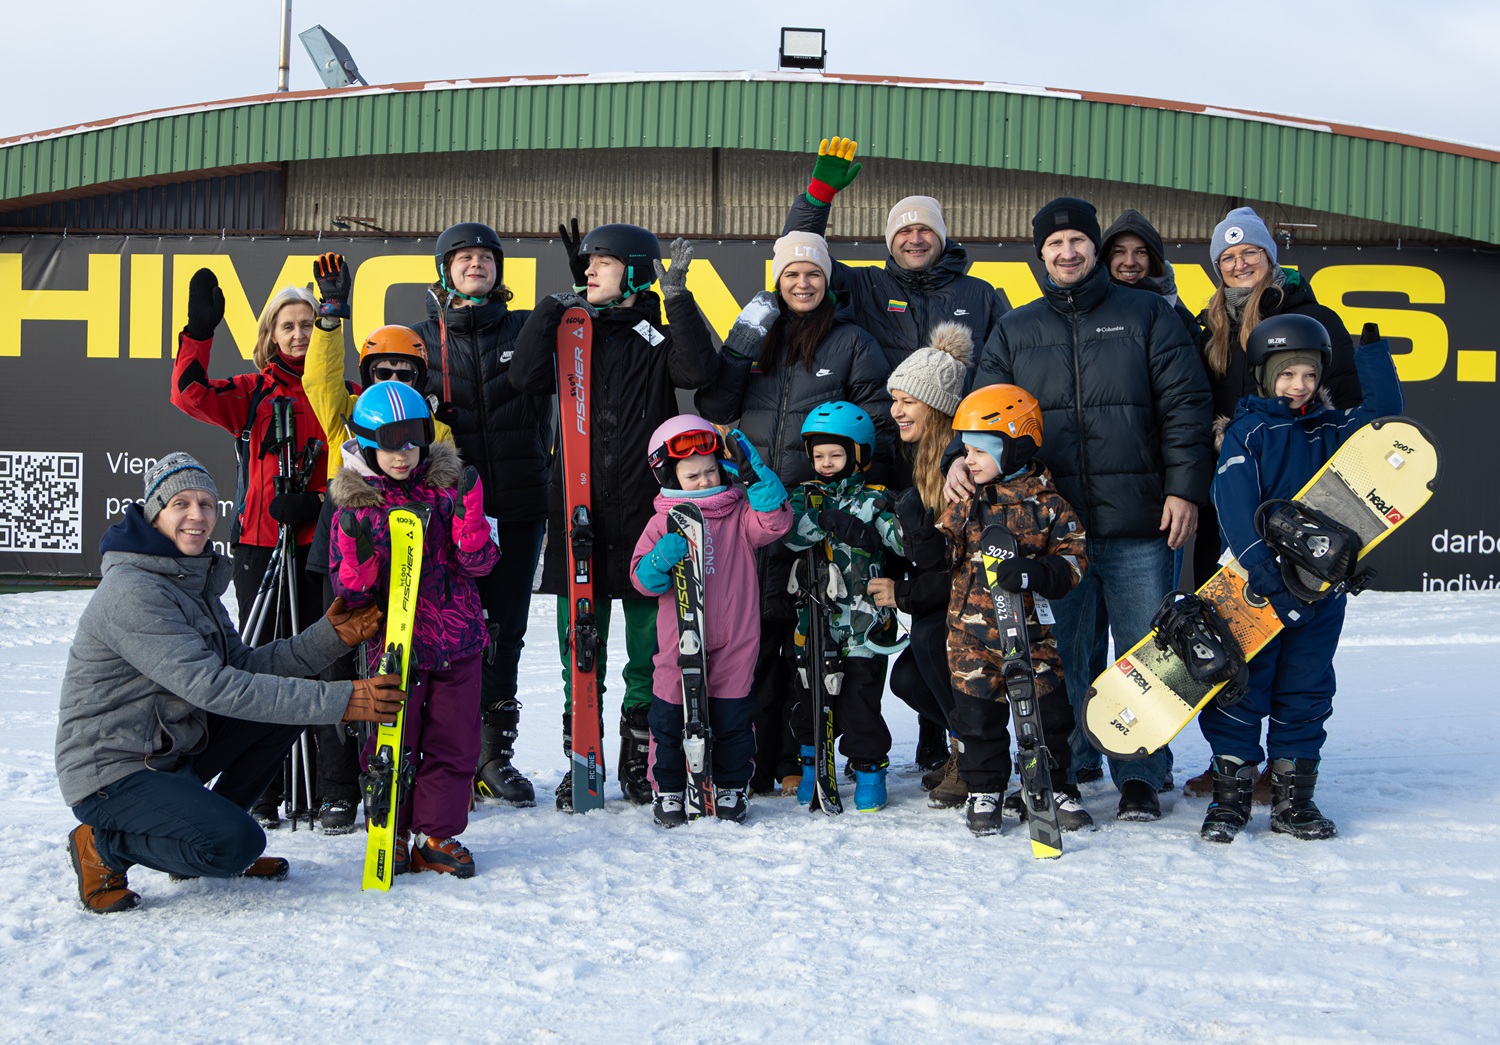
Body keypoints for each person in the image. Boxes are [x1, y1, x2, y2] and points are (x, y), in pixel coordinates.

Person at [950, 196, 1214, 821]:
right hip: (1046, 528)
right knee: (1059, 654)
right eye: (1053, 245)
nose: (1066, 253)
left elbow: (1185, 406)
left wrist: (1183, 489)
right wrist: (954, 463)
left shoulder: (1147, 314)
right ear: (1039, 255)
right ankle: (1064, 766)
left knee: (1146, 650)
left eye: (1077, 241)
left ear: (1095, 248)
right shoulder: (1017, 328)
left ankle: (1142, 776)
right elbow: (978, 413)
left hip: (1138, 520)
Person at [56, 453, 404, 913]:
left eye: (206, 503)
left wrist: (328, 638)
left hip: (169, 751)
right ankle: (102, 847)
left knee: (283, 714)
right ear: (154, 513)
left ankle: (196, 835)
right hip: (113, 772)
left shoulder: (189, 579)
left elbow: (243, 667)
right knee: (235, 846)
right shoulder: (134, 590)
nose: (197, 516)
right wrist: (344, 700)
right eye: (181, 504)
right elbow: (216, 688)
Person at [508, 223, 719, 810]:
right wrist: (552, 308)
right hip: (577, 512)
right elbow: (524, 378)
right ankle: (583, 753)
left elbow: (700, 375)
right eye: (586, 264)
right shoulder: (572, 327)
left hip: (646, 513)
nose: (588, 273)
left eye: (600, 263)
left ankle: (637, 750)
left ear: (632, 270)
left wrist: (676, 300)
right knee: (582, 642)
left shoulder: (656, 332)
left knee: (650, 647)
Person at [694, 231, 893, 796]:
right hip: (754, 509)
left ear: (828, 281)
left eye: (812, 274)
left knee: (806, 643)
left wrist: (839, 491)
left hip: (815, 518)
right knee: (755, 641)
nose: (802, 283)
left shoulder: (852, 342)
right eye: (791, 275)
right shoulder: (760, 337)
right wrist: (739, 345)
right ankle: (754, 758)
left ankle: (798, 758)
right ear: (776, 282)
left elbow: (876, 422)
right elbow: (714, 407)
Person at [1182, 206, 1364, 800]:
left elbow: (1346, 406)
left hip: (1297, 501)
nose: (1239, 264)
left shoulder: (1309, 317)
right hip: (1233, 492)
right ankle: (1231, 759)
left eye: (1249, 254)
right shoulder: (1212, 326)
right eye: (1227, 258)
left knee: (1296, 646)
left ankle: (1280, 770)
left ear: (1270, 258)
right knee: (1236, 629)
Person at [1198, 315, 1401, 843]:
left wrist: (1373, 358)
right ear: (1266, 377)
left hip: (1319, 589)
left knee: (1306, 689)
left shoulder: (1333, 429)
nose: (1299, 386)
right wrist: (1262, 571)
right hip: (1254, 587)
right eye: (1288, 375)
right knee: (1241, 689)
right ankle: (1230, 801)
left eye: (1309, 375)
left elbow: (1386, 420)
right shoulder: (1251, 430)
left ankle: (1294, 801)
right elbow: (1235, 506)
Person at [169, 269, 332, 828]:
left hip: (322, 546)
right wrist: (198, 332)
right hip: (260, 546)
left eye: (308, 325)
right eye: (288, 326)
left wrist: (320, 503)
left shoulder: (337, 390)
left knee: (320, 660)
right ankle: (260, 787)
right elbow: (189, 394)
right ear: (270, 335)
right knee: (261, 666)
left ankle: (333, 785)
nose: (299, 335)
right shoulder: (253, 390)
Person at [328, 381, 499, 877]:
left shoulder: (450, 488)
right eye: (387, 443)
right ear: (363, 443)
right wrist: (357, 564)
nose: (402, 455)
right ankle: (392, 830)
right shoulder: (357, 507)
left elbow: (483, 563)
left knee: (455, 742)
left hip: (457, 641)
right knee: (391, 741)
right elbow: (351, 594)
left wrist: (470, 522)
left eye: (411, 440)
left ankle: (435, 834)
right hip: (395, 650)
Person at [411, 224, 551, 808]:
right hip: (445, 516)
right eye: (464, 258)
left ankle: (494, 754)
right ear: (445, 270)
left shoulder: (526, 329)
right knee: (443, 635)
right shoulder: (419, 340)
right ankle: (445, 757)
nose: (476, 266)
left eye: (485, 258)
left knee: (505, 633)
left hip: (518, 506)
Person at [936, 384, 1090, 836]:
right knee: (976, 718)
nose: (969, 461)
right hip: (970, 636)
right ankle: (985, 788)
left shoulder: (1048, 505)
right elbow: (943, 549)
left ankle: (1053, 784)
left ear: (1016, 443)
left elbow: (1074, 559)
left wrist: (1036, 573)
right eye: (966, 450)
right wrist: (923, 541)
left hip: (1031, 634)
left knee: (1048, 714)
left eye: (981, 450)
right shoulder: (967, 501)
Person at [629, 416, 792, 826]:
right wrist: (661, 559)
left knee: (733, 717)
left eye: (710, 471)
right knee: (667, 718)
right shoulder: (661, 522)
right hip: (679, 642)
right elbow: (642, 581)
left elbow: (776, 523)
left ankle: (730, 785)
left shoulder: (739, 511)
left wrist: (758, 479)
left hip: (736, 638)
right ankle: (667, 789)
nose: (704, 481)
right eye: (692, 475)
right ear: (669, 476)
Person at [781, 137, 1010, 369]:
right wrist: (818, 197)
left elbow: (1004, 363)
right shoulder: (864, 286)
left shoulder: (980, 295)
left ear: (941, 238)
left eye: (925, 230)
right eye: (905, 231)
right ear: (891, 242)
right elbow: (796, 252)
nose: (915, 239)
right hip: (880, 405)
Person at [868, 323, 975, 810]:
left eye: (908, 401)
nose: (896, 411)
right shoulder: (919, 459)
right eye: (895, 400)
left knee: (932, 641)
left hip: (977, 603)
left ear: (936, 404)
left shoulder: (963, 467)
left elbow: (959, 568)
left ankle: (974, 753)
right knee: (907, 677)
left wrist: (903, 595)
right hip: (940, 597)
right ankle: (970, 744)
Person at [783, 401, 905, 811]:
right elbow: (792, 536)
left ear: (859, 455)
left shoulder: (875, 499)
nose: (827, 463)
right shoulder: (804, 497)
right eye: (818, 455)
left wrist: (891, 524)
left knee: (858, 703)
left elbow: (903, 542)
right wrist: (829, 520)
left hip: (862, 625)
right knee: (808, 698)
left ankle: (870, 769)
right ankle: (813, 766)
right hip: (814, 623)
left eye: (836, 454)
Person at [1101, 209, 1202, 343]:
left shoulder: (1181, 319)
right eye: (1119, 252)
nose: (1129, 262)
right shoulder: (1086, 314)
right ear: (1107, 257)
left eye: (1140, 252)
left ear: (1153, 258)